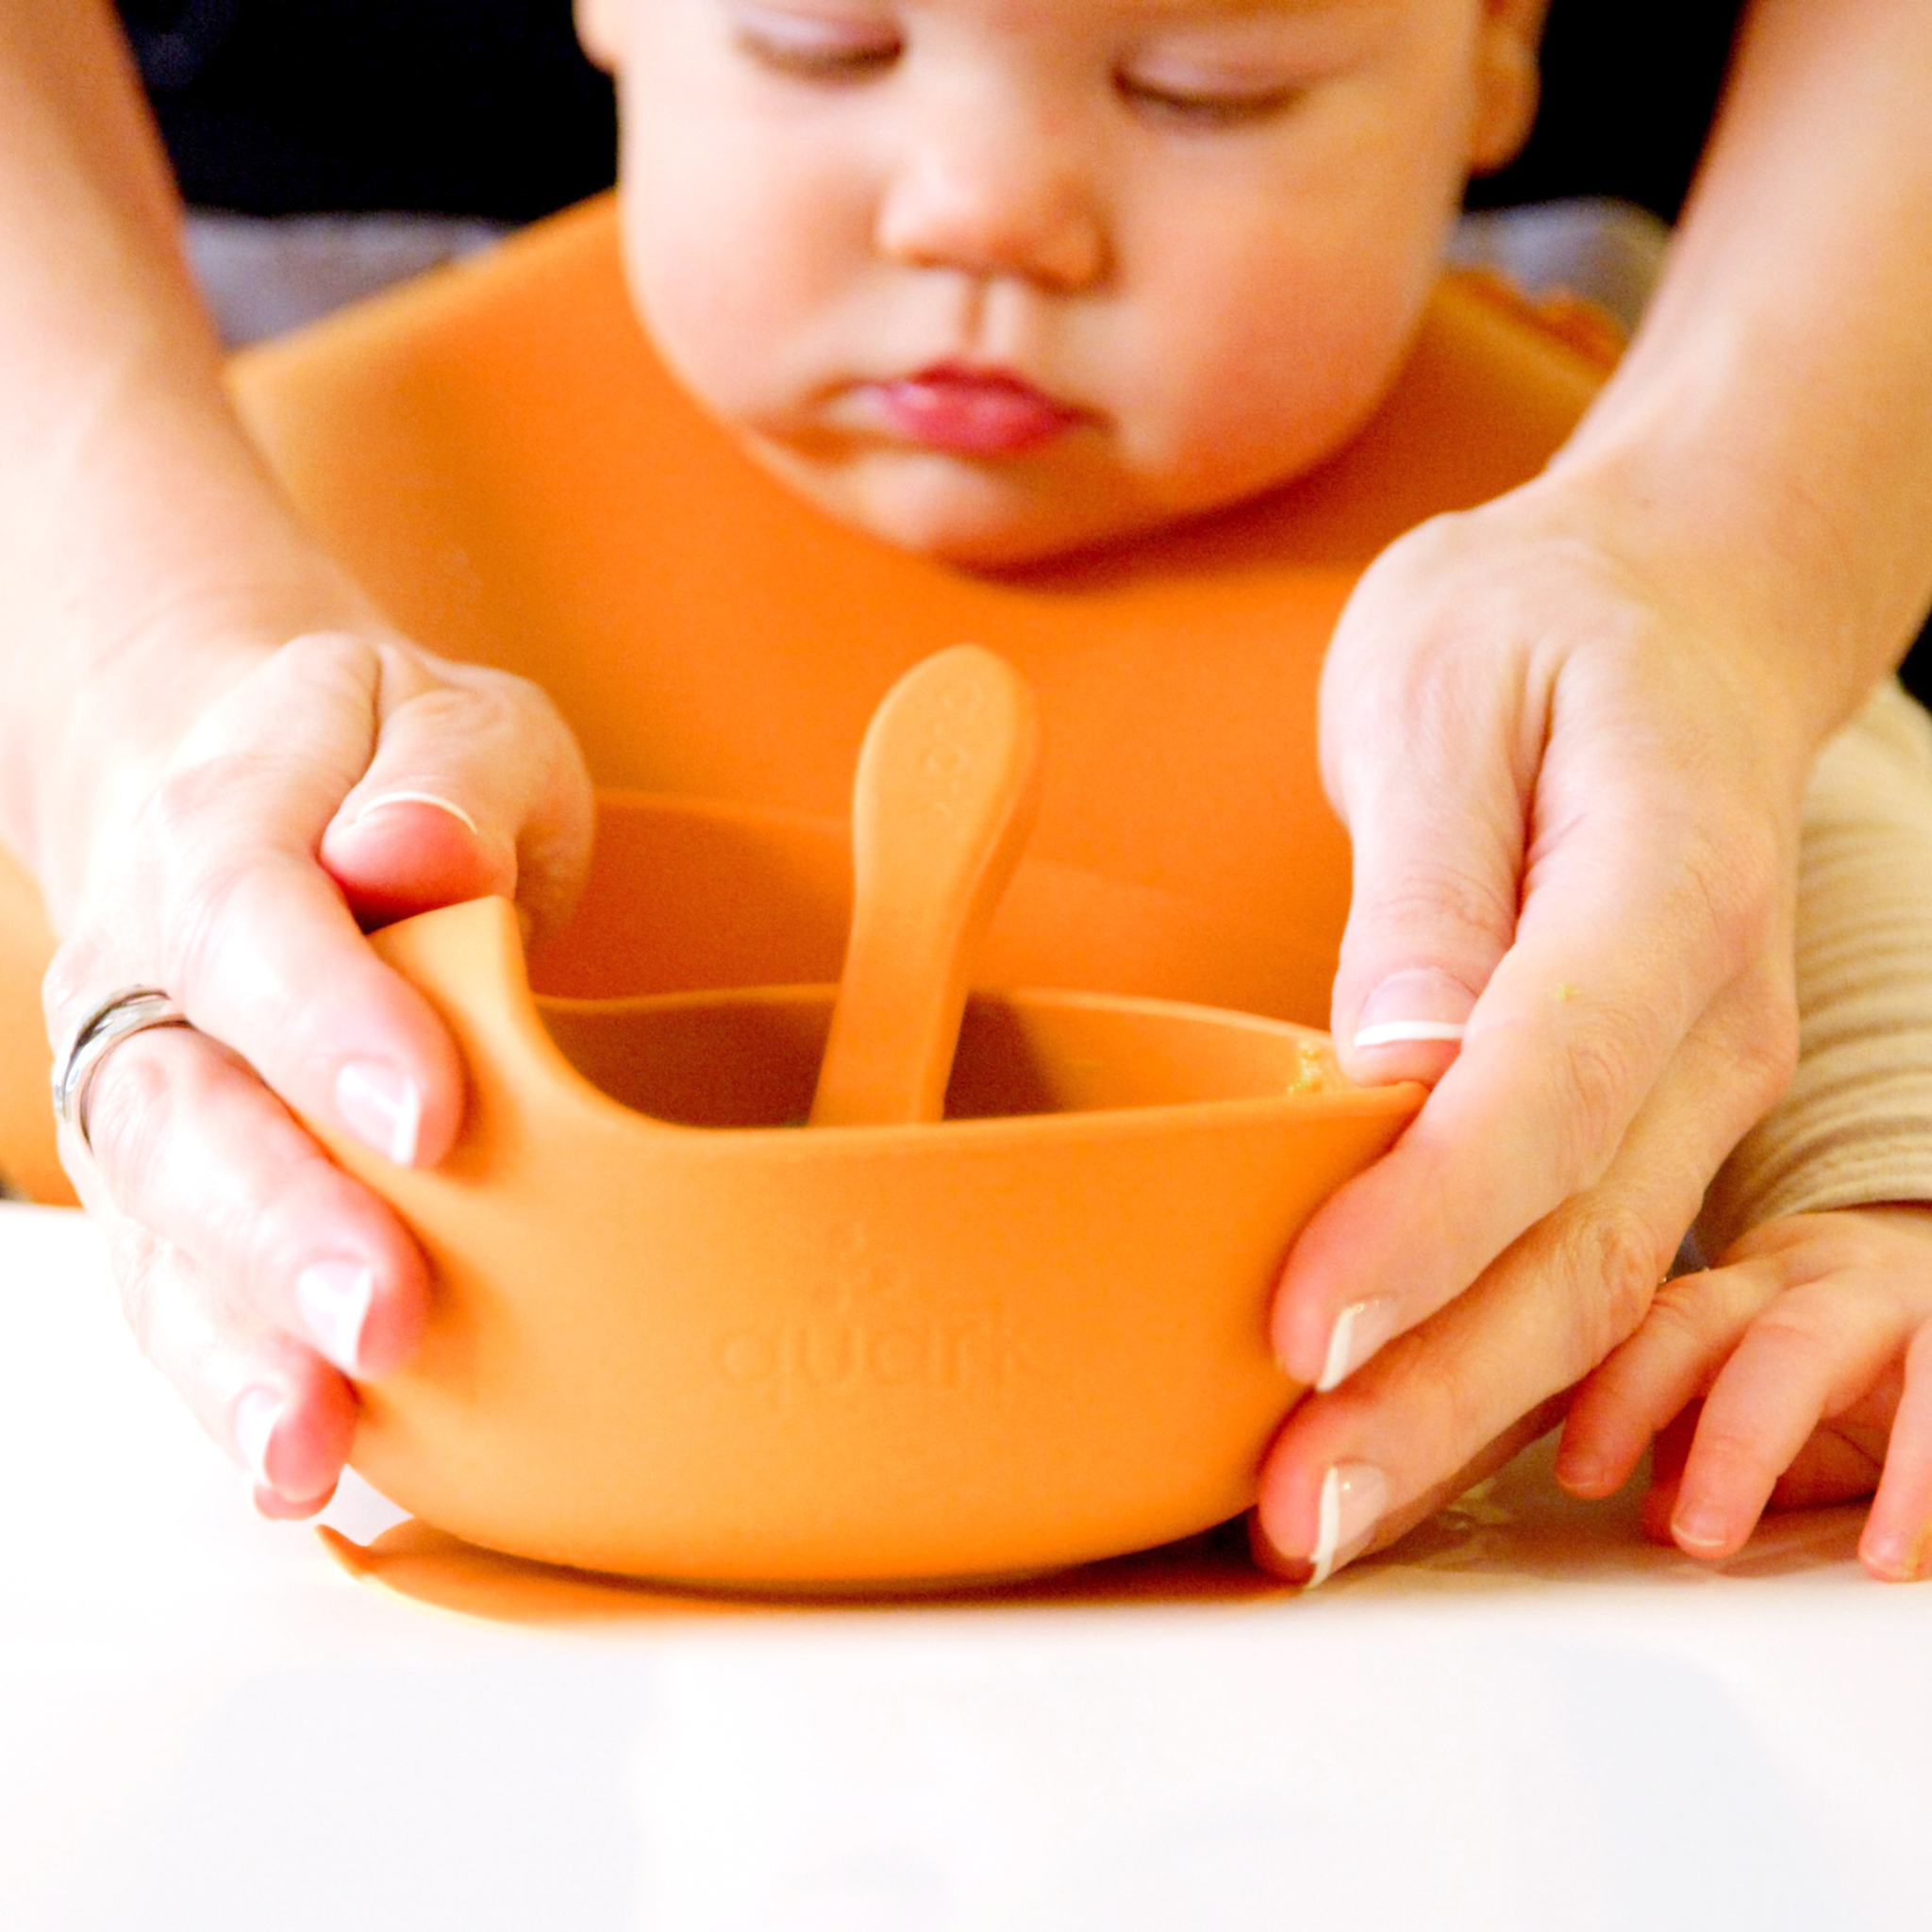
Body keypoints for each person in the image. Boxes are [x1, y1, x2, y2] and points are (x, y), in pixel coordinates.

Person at [5, 0, 1932, 1579]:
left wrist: (1878, 1223)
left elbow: (1800, 835)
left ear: (1499, 53)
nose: (981, 215)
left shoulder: (1540, 539)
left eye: (1208, 88)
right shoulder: (359, 488)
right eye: (825, 50)